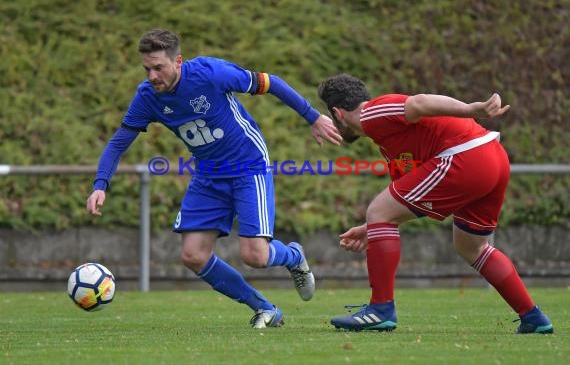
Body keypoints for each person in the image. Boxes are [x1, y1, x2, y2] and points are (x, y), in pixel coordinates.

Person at [86, 28, 342, 328]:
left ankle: (293, 256)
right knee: (193, 255)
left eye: (159, 68)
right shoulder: (147, 97)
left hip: (248, 165)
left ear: (178, 61)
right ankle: (265, 309)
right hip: (209, 173)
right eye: (147, 69)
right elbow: (118, 142)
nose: (153, 76)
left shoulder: (211, 73)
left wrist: (312, 117)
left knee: (255, 256)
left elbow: (270, 83)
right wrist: (100, 185)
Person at [317, 73, 554, 334]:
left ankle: (380, 310)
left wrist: (470, 109)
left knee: (379, 211)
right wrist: (371, 226)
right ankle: (533, 317)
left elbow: (419, 103)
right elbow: (398, 199)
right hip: (493, 159)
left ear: (338, 114)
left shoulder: (371, 113)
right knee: (471, 247)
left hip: (466, 155)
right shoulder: (387, 141)